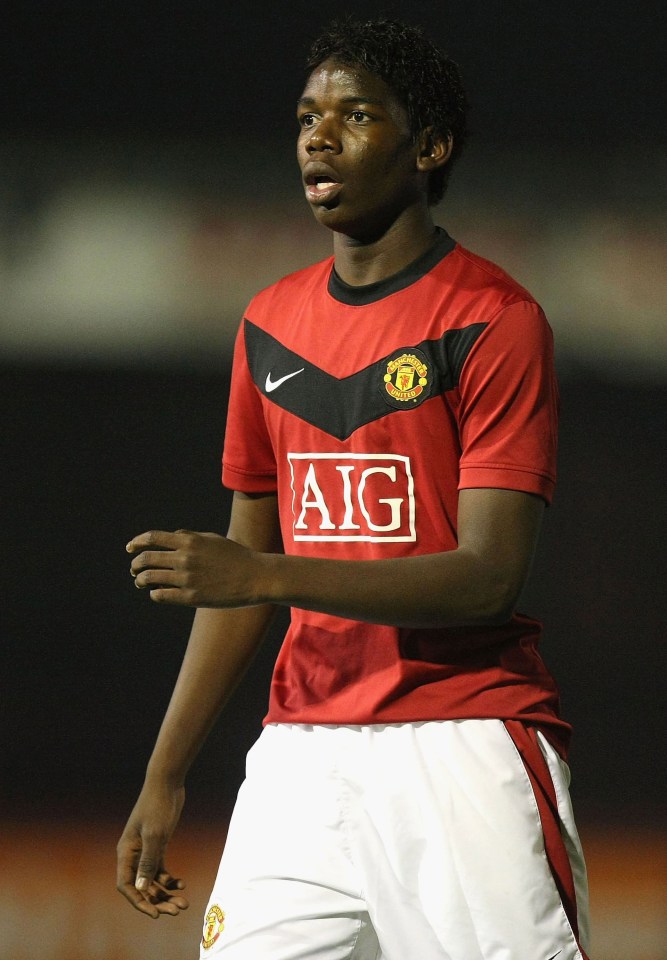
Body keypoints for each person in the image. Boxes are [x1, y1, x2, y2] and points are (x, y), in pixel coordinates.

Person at [116, 16, 592, 960]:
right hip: (301, 749)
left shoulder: (493, 319)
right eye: (305, 118)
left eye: (355, 115)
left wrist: (267, 575)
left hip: (460, 741)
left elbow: (485, 578)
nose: (317, 138)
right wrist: (164, 773)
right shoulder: (269, 323)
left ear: (429, 145)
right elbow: (241, 573)